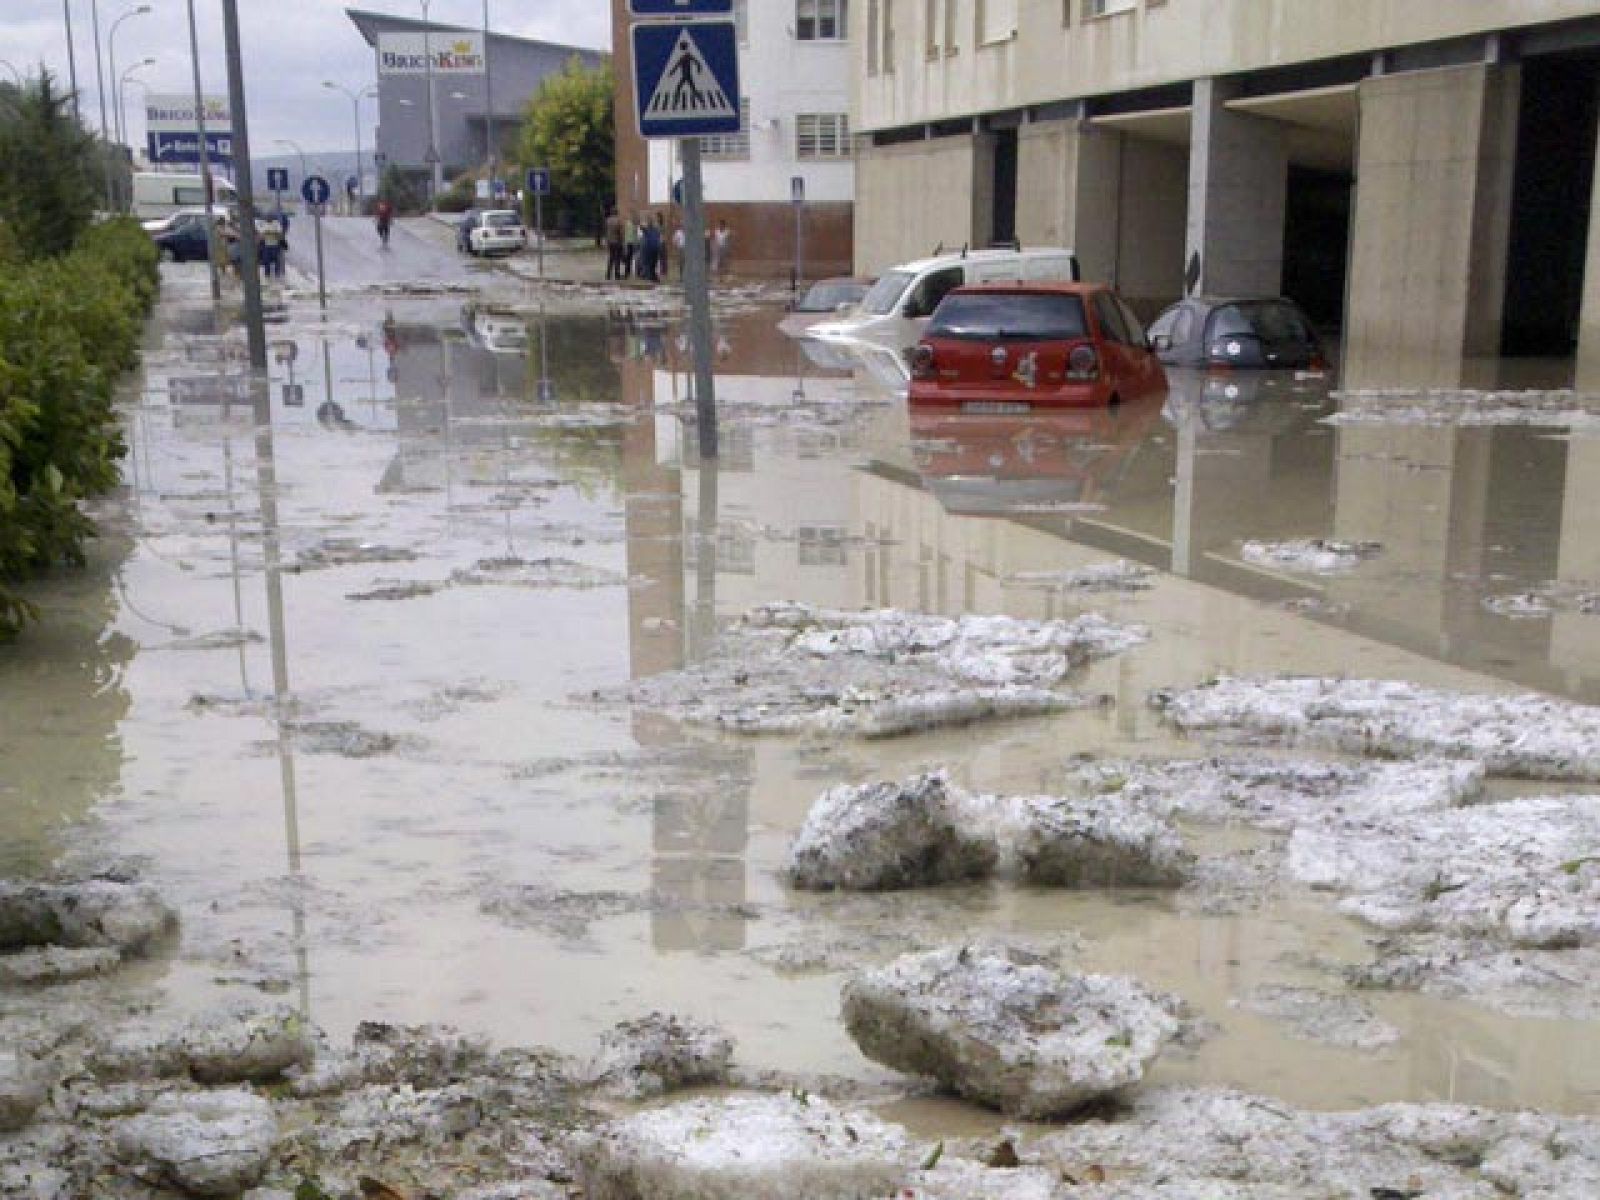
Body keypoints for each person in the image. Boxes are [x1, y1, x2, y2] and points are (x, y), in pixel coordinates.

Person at [637, 213, 661, 283]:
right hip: (654, 249)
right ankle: (652, 277)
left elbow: (641, 226)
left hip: (649, 249)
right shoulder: (655, 230)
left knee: (649, 264)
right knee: (651, 264)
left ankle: (650, 277)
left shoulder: (649, 230)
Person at [603, 207, 625, 280]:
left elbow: (606, 232)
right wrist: (622, 241)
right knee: (617, 259)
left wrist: (606, 242)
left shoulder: (607, 220)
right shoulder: (618, 221)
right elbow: (621, 233)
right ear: (616, 213)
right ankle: (617, 275)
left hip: (610, 242)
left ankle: (608, 275)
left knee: (611, 258)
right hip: (617, 242)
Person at [623, 212, 641, 279]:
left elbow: (626, 234)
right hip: (633, 243)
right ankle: (632, 272)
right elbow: (628, 235)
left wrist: (625, 243)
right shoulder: (634, 225)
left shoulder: (629, 224)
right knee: (633, 258)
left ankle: (628, 272)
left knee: (631, 258)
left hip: (631, 243)